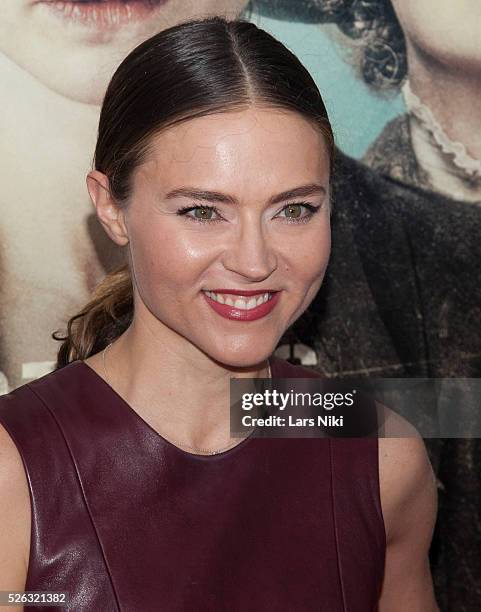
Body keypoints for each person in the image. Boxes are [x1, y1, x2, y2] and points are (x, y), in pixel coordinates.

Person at [0, 17, 438, 611]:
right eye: (204, 212)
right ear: (111, 207)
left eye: (295, 209)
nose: (255, 261)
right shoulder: (11, 467)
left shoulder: (381, 450)